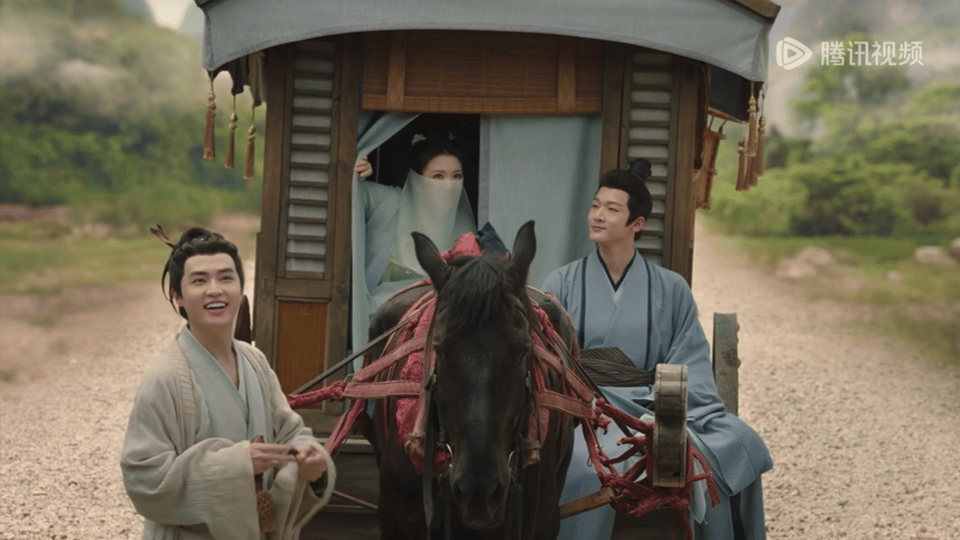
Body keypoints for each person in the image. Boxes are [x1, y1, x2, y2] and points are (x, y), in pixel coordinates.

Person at [542, 161, 772, 540]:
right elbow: (549, 359)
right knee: (583, 468)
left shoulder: (671, 287)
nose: (597, 216)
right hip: (588, 412)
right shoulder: (561, 282)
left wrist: (662, 408)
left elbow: (689, 356)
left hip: (655, 406)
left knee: (738, 443)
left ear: (637, 223)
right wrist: (583, 404)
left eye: (611, 209)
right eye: (595, 206)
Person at [121, 227, 335, 540]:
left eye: (225, 278)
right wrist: (238, 465)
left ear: (240, 286)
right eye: (199, 281)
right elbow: (144, 481)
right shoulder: (165, 379)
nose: (215, 290)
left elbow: (291, 434)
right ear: (177, 295)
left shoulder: (254, 361)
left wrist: (309, 459)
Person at [353, 130, 476, 308]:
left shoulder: (463, 224)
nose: (449, 186)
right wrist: (356, 172)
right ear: (417, 180)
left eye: (456, 176)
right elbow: (349, 194)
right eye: (438, 176)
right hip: (377, 318)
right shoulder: (389, 202)